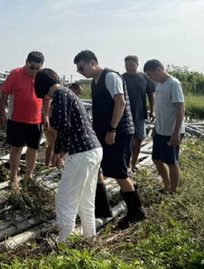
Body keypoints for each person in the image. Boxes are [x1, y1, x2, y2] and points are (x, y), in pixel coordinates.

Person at [74, 50, 146, 229]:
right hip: (103, 131)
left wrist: (112, 129)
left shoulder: (111, 77)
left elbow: (120, 103)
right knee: (97, 167)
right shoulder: (94, 82)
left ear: (92, 62)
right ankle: (102, 208)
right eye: (78, 70)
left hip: (118, 132)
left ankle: (137, 210)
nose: (81, 71)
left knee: (120, 171)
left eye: (82, 67)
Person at [35, 69, 103, 241]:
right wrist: (61, 151)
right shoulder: (67, 93)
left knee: (65, 200)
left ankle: (63, 244)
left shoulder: (60, 95)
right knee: (85, 201)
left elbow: (62, 126)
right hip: (93, 149)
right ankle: (90, 238)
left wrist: (57, 151)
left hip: (81, 153)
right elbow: (69, 127)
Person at [0, 51, 45, 189]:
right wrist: (2, 112)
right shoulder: (16, 74)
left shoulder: (42, 77)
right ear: (27, 62)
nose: (34, 71)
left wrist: (46, 116)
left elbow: (47, 98)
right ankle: (13, 178)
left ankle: (29, 176)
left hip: (36, 120)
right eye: (32, 68)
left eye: (38, 68)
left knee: (33, 148)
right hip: (17, 119)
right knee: (16, 147)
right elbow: (4, 93)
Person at [143, 59, 185, 193]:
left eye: (151, 75)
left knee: (172, 162)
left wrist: (176, 132)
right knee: (156, 158)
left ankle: (173, 190)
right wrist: (156, 127)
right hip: (160, 130)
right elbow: (162, 110)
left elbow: (180, 109)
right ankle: (167, 185)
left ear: (159, 70)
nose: (151, 78)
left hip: (171, 131)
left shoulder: (173, 84)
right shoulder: (160, 85)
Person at [122, 55, 156, 172]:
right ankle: (125, 163)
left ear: (137, 64)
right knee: (125, 141)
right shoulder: (121, 78)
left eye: (131, 64)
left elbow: (151, 95)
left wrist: (153, 110)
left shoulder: (145, 78)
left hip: (139, 114)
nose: (129, 67)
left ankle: (133, 163)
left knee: (138, 139)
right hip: (124, 115)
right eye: (126, 65)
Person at [44, 82, 83, 167]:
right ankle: (58, 162)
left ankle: (48, 164)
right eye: (78, 92)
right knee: (62, 142)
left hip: (51, 123)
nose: (78, 95)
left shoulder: (61, 94)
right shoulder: (63, 96)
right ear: (74, 88)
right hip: (56, 124)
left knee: (52, 145)